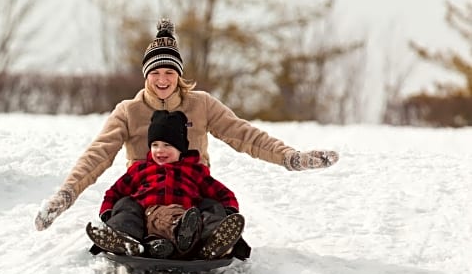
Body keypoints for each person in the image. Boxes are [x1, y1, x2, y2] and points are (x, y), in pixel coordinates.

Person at [35, 17, 339, 246]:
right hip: (145, 195)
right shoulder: (129, 111)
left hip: (192, 191)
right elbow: (97, 155)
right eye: (155, 72)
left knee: (215, 209)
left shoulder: (201, 104)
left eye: (169, 72)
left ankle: (213, 241)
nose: (162, 79)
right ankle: (124, 238)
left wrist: (291, 157)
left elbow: (243, 135)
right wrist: (66, 194)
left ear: (179, 75)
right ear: (146, 76)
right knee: (123, 208)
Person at [85, 110, 245, 260]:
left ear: (181, 148)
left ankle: (215, 240)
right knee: (125, 204)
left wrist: (228, 211)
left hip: (187, 217)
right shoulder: (141, 169)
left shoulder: (194, 171)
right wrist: (107, 213)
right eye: (155, 145)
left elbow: (222, 193)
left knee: (211, 207)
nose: (160, 150)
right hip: (146, 217)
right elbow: (115, 192)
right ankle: (124, 239)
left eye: (167, 145)